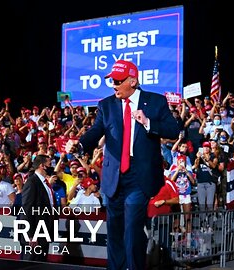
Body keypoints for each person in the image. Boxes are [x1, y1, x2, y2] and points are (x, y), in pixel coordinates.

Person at [67, 59, 179, 269]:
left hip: (140, 176)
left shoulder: (155, 102)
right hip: (113, 178)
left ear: (133, 81)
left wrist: (148, 123)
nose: (114, 85)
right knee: (116, 232)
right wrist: (79, 145)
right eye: (112, 80)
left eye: (118, 81)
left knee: (133, 229)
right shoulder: (106, 105)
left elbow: (173, 130)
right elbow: (95, 132)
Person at [19, 154, 57, 262]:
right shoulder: (32, 182)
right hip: (34, 235)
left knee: (41, 264)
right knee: (30, 265)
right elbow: (27, 208)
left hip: (44, 233)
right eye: (49, 164)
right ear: (42, 165)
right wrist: (30, 234)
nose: (52, 166)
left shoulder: (45, 183)